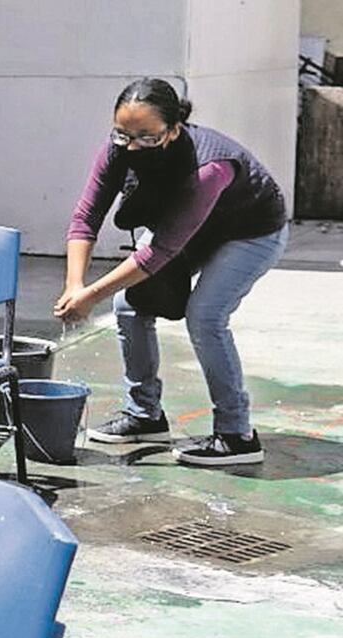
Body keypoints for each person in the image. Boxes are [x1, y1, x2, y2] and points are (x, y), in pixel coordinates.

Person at [55, 78, 288, 467]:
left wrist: (88, 298)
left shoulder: (208, 166)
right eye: (123, 134)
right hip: (184, 226)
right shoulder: (117, 150)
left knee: (206, 316)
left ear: (174, 129)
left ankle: (237, 434)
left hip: (250, 231)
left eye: (146, 137)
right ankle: (144, 414)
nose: (132, 145)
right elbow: (85, 217)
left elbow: (160, 251)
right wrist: (74, 285)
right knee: (128, 305)